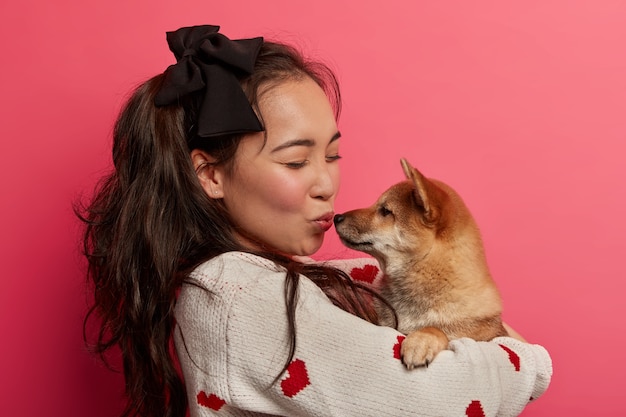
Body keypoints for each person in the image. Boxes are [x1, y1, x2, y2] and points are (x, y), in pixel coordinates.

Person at [79, 24, 552, 417]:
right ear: (211, 175)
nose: (327, 183)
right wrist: (525, 359)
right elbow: (434, 402)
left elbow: (356, 293)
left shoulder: (254, 282)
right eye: (295, 161)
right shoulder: (235, 294)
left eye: (332, 154)